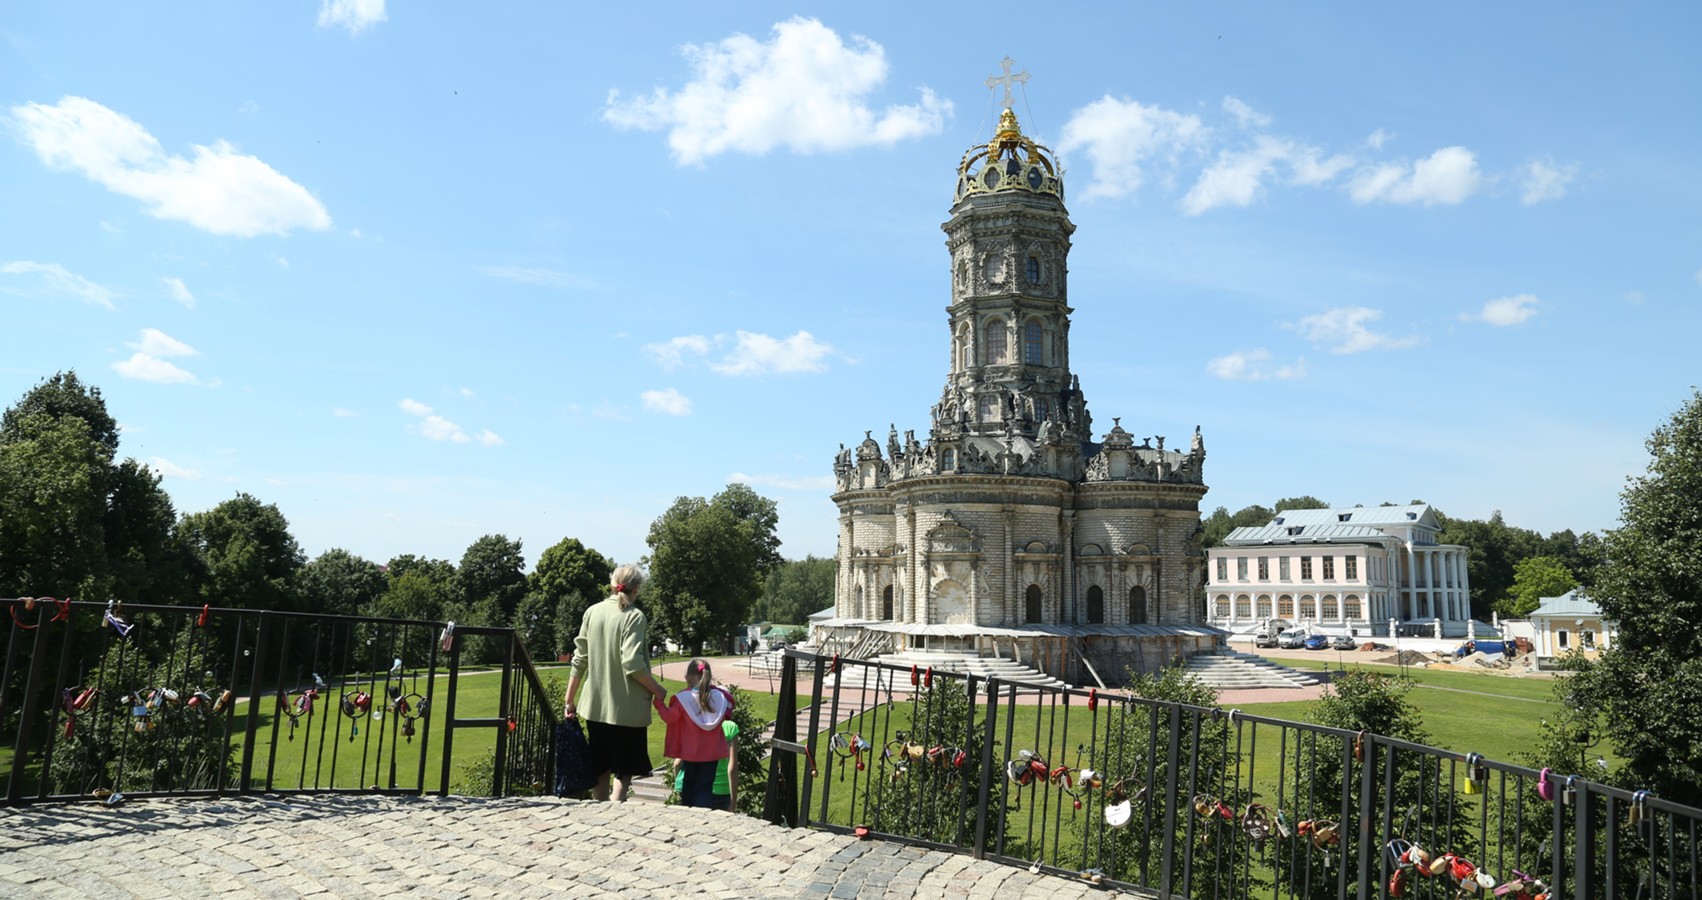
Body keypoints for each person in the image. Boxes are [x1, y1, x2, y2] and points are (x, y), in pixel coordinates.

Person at [564, 564, 667, 802]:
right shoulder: (634, 616)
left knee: (599, 765)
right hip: (628, 710)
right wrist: (657, 690)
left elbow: (579, 659)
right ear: (637, 588)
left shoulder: (592, 612)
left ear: (612, 584)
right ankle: (616, 812)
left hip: (595, 707)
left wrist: (569, 700)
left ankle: (599, 810)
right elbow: (632, 662)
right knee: (624, 768)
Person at [655, 658, 733, 810]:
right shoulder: (720, 697)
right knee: (705, 787)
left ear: (690, 676)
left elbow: (669, 717)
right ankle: (703, 814)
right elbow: (729, 711)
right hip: (712, 753)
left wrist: (658, 703)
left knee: (689, 785)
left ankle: (689, 815)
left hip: (690, 753)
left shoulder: (683, 699)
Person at [672, 718, 739, 812]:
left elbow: (677, 763)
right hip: (720, 789)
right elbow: (732, 769)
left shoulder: (693, 724)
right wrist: (733, 804)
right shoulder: (730, 727)